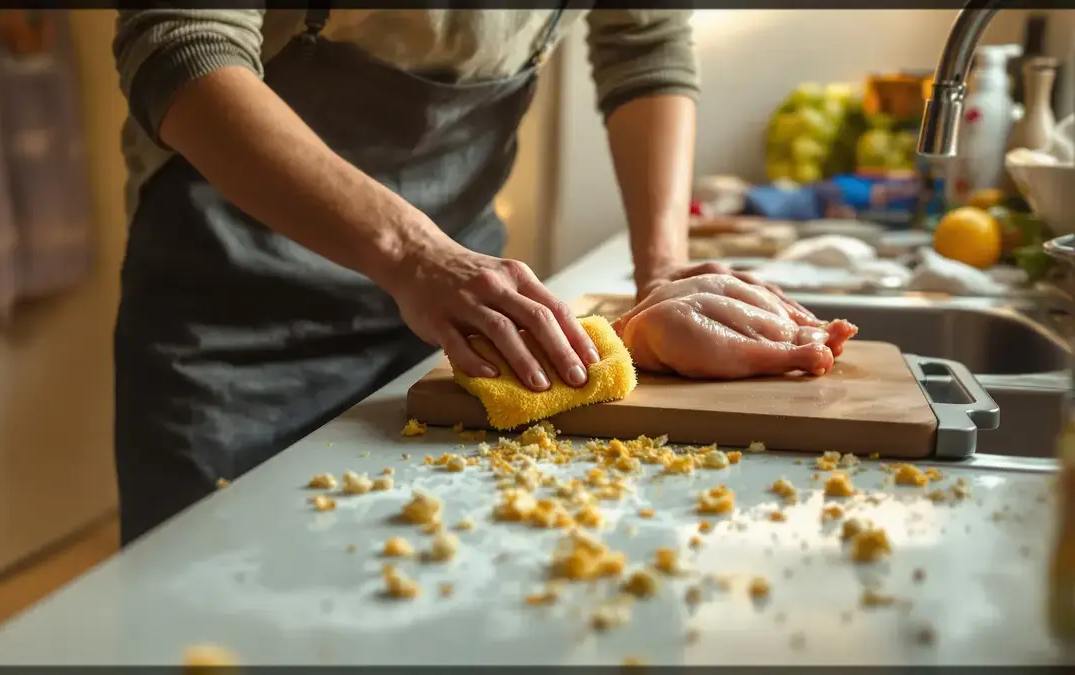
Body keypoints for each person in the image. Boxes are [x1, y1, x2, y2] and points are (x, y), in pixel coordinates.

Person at [110, 6, 789, 546]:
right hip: (231, 315)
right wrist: (415, 256)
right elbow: (181, 43)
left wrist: (663, 270)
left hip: (456, 331)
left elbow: (647, 44)